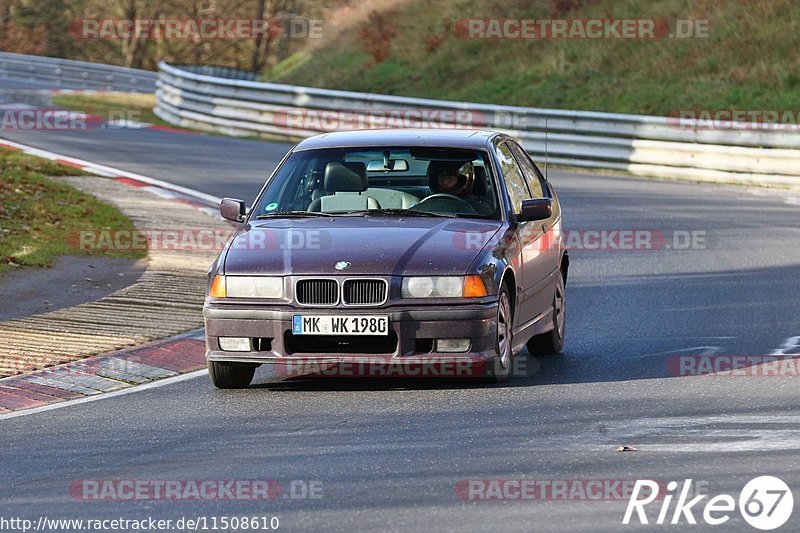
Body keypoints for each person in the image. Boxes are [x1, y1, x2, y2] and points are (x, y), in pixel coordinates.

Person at [427, 160, 493, 215]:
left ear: (461, 180)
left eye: (450, 178)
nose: (445, 182)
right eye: (441, 177)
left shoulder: (479, 207)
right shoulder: (426, 197)